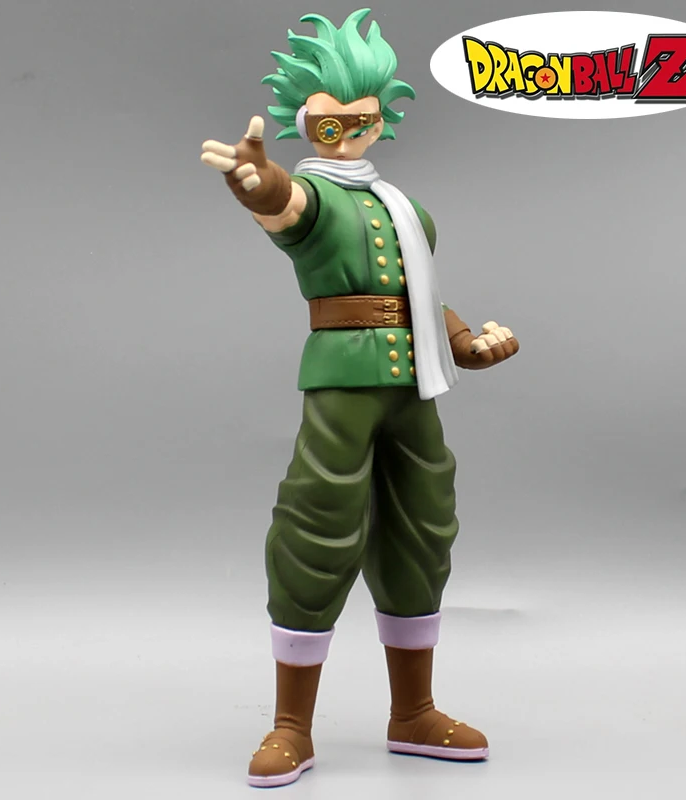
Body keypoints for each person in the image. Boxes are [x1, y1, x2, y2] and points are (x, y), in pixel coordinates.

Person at [200, 8, 519, 788]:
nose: (346, 136)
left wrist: (468, 343)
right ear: (307, 124)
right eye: (329, 124)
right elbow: (288, 210)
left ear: (380, 120)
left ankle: (414, 712)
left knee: (422, 529)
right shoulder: (316, 195)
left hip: (414, 388)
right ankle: (291, 724)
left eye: (361, 121)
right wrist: (258, 184)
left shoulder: (408, 210)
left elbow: (421, 297)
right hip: (342, 384)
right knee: (316, 528)